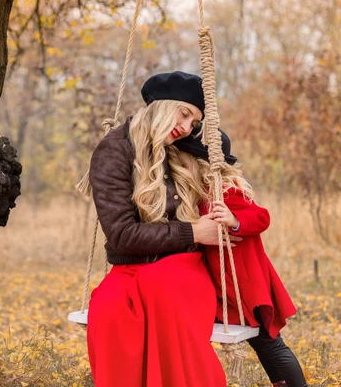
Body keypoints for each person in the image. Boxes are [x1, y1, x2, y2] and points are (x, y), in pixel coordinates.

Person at [86, 71, 236, 387]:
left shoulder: (179, 149)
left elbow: (225, 163)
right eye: (184, 113)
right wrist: (193, 232)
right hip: (129, 270)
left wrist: (228, 219)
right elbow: (123, 236)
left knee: (161, 290)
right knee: (107, 307)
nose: (186, 127)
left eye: (194, 123)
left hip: (182, 268)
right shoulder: (115, 151)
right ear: (161, 105)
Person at [173, 129, 308, 387]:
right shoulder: (195, 193)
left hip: (242, 285)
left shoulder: (225, 191)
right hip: (222, 286)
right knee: (262, 342)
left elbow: (261, 217)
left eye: (183, 160)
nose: (178, 165)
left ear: (199, 162)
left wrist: (235, 221)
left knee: (268, 342)